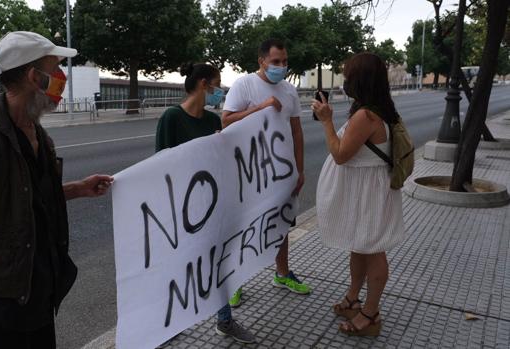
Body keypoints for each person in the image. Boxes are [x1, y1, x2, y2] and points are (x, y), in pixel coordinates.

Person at [0, 31, 114, 348]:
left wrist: (79, 189)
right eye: (55, 69)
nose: (62, 78)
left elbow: (28, 197)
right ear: (34, 77)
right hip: (4, 302)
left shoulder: (36, 132)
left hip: (38, 289)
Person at [155, 63, 256, 344]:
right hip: (182, 209)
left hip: (211, 205)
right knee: (179, 267)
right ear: (203, 84)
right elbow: (160, 164)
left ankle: (225, 320)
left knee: (218, 262)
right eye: (216, 84)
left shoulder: (213, 122)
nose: (219, 91)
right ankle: (168, 324)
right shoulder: (172, 118)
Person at [312, 52, 405, 336]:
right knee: (360, 245)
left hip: (370, 194)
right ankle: (354, 298)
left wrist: (327, 121)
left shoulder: (367, 115)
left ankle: (371, 313)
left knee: (374, 249)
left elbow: (340, 154)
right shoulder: (375, 109)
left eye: (348, 74)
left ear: (359, 79)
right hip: (367, 191)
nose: (344, 79)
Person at [221, 38, 311, 308]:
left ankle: (282, 274)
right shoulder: (244, 84)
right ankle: (234, 282)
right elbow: (225, 120)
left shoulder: (289, 91)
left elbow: (296, 131)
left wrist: (299, 169)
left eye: (284, 62)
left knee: (281, 224)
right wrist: (261, 107)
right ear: (261, 61)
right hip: (249, 173)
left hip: (281, 172)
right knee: (244, 226)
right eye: (276, 62)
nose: (281, 67)